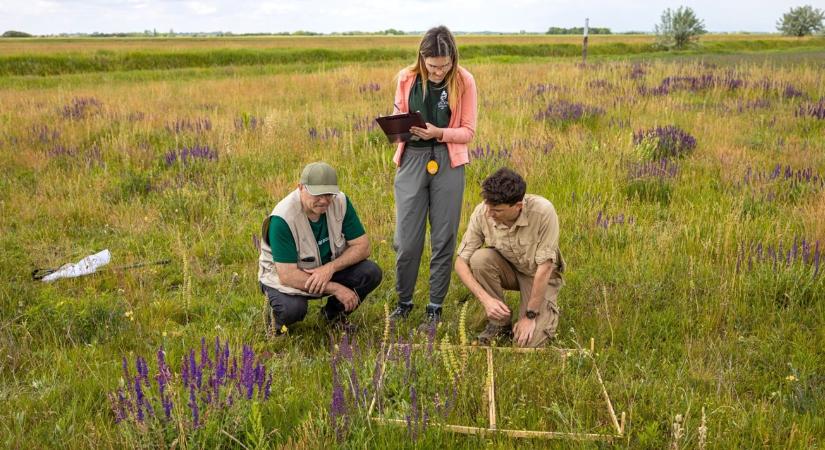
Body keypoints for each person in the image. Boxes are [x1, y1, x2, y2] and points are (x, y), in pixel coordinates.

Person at [389, 25, 478, 326]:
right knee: (407, 240)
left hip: (448, 159)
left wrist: (438, 133)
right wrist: (398, 126)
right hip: (412, 159)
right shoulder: (406, 78)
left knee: (443, 236)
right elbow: (398, 114)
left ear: (453, 58)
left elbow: (468, 131)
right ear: (422, 59)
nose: (439, 72)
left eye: (444, 65)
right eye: (433, 66)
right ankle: (404, 302)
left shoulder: (465, 81)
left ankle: (435, 306)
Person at [258, 162, 382, 334]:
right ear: (300, 187)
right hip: (287, 278)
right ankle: (275, 322)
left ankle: (333, 316)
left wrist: (329, 269)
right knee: (293, 309)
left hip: (325, 269)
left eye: (329, 194)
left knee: (371, 272)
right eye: (317, 194)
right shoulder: (282, 218)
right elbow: (287, 275)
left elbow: (363, 246)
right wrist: (336, 288)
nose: (324, 200)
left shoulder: (341, 202)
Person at [454, 168, 565, 347]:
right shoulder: (483, 211)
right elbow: (460, 263)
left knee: (528, 345)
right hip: (510, 269)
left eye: (497, 210)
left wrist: (530, 316)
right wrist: (486, 300)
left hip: (538, 276)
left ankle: (535, 315)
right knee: (479, 259)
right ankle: (500, 323)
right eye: (488, 207)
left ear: (518, 206)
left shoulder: (543, 212)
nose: (490, 214)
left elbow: (544, 269)